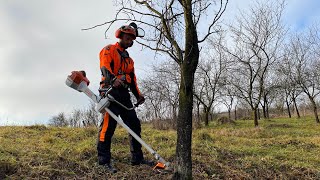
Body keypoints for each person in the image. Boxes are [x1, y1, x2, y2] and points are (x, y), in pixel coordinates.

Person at [97, 23, 152, 173]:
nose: (129, 41)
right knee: (108, 126)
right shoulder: (109, 49)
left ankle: (137, 158)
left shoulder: (130, 60)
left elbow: (132, 80)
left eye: (131, 39)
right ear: (120, 36)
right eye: (127, 38)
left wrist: (138, 95)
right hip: (110, 91)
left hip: (124, 95)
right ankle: (103, 161)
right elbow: (104, 67)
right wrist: (113, 79)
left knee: (134, 124)